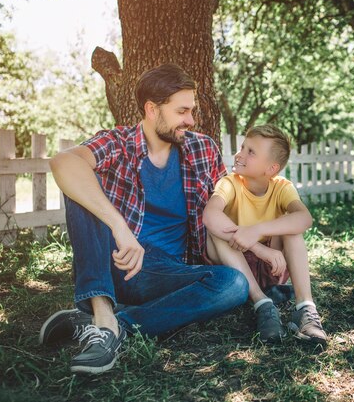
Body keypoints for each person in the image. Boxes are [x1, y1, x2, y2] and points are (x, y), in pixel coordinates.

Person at [38, 63, 249, 374]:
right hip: (115, 261)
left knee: (232, 284)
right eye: (182, 112)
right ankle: (101, 309)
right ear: (152, 109)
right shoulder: (118, 142)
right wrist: (119, 227)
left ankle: (106, 325)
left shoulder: (202, 148)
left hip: (166, 271)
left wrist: (265, 241)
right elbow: (62, 162)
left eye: (191, 111)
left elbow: (228, 208)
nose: (190, 120)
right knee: (79, 184)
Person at [202, 124, 327, 346]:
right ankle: (264, 305)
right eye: (243, 147)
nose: (240, 154)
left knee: (292, 230)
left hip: (272, 266)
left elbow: (305, 218)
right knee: (217, 234)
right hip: (237, 266)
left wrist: (257, 230)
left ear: (271, 169)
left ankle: (305, 308)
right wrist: (258, 247)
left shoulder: (281, 187)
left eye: (251, 152)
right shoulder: (230, 183)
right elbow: (210, 216)